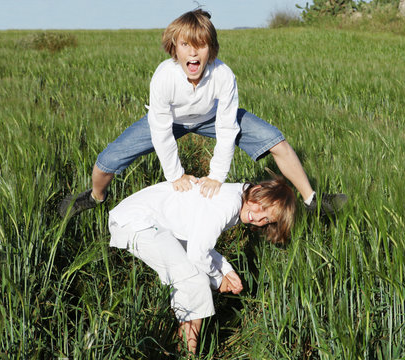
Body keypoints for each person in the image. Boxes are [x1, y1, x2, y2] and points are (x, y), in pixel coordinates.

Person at [59, 9, 346, 219]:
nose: (193, 53)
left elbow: (227, 126)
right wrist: (175, 174)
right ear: (175, 48)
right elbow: (160, 130)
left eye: (201, 46)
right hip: (171, 121)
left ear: (211, 50)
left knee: (277, 142)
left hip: (212, 118)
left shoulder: (223, 75)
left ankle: (312, 201)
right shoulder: (163, 77)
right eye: (186, 45)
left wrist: (217, 176)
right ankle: (95, 199)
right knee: (106, 162)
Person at [108, 175, 296, 354]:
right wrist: (217, 279)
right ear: (256, 191)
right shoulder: (229, 204)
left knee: (195, 278)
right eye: (262, 209)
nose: (258, 218)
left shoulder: (235, 198)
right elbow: (197, 253)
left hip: (147, 221)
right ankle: (186, 353)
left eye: (267, 220)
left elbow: (197, 241)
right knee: (194, 281)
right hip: (136, 222)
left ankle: (181, 345)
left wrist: (226, 270)